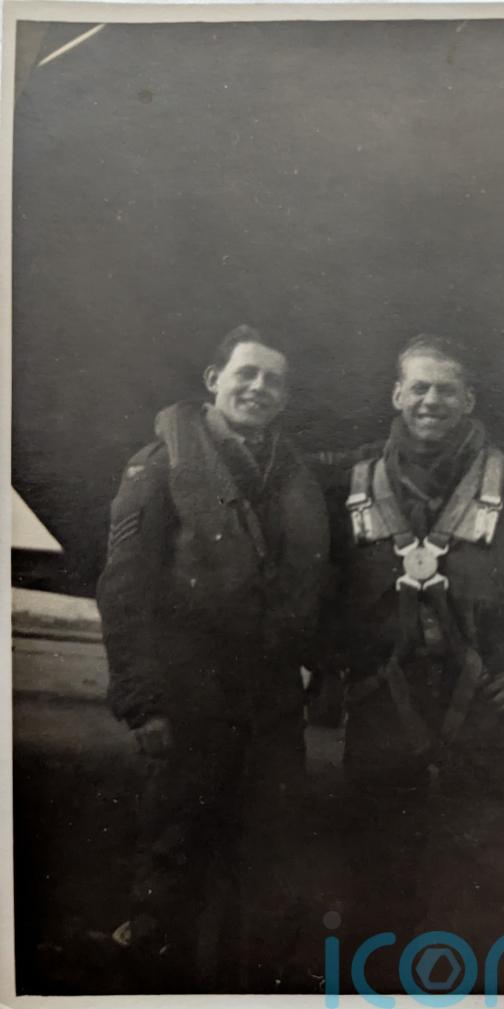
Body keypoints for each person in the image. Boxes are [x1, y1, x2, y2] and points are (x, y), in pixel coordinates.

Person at [314, 334, 504, 986]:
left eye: (446, 389)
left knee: (496, 874)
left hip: (485, 704)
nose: (431, 400)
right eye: (419, 387)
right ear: (397, 395)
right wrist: (333, 665)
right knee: (376, 876)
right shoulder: (352, 481)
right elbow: (315, 585)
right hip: (383, 704)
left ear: (469, 399)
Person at [96, 324, 329, 991]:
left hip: (271, 709)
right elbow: (124, 589)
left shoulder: (294, 473)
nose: (258, 388)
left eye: (273, 380)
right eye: (245, 374)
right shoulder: (159, 464)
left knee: (266, 869)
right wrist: (142, 701)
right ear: (213, 380)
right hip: (187, 702)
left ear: (285, 396)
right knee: (171, 862)